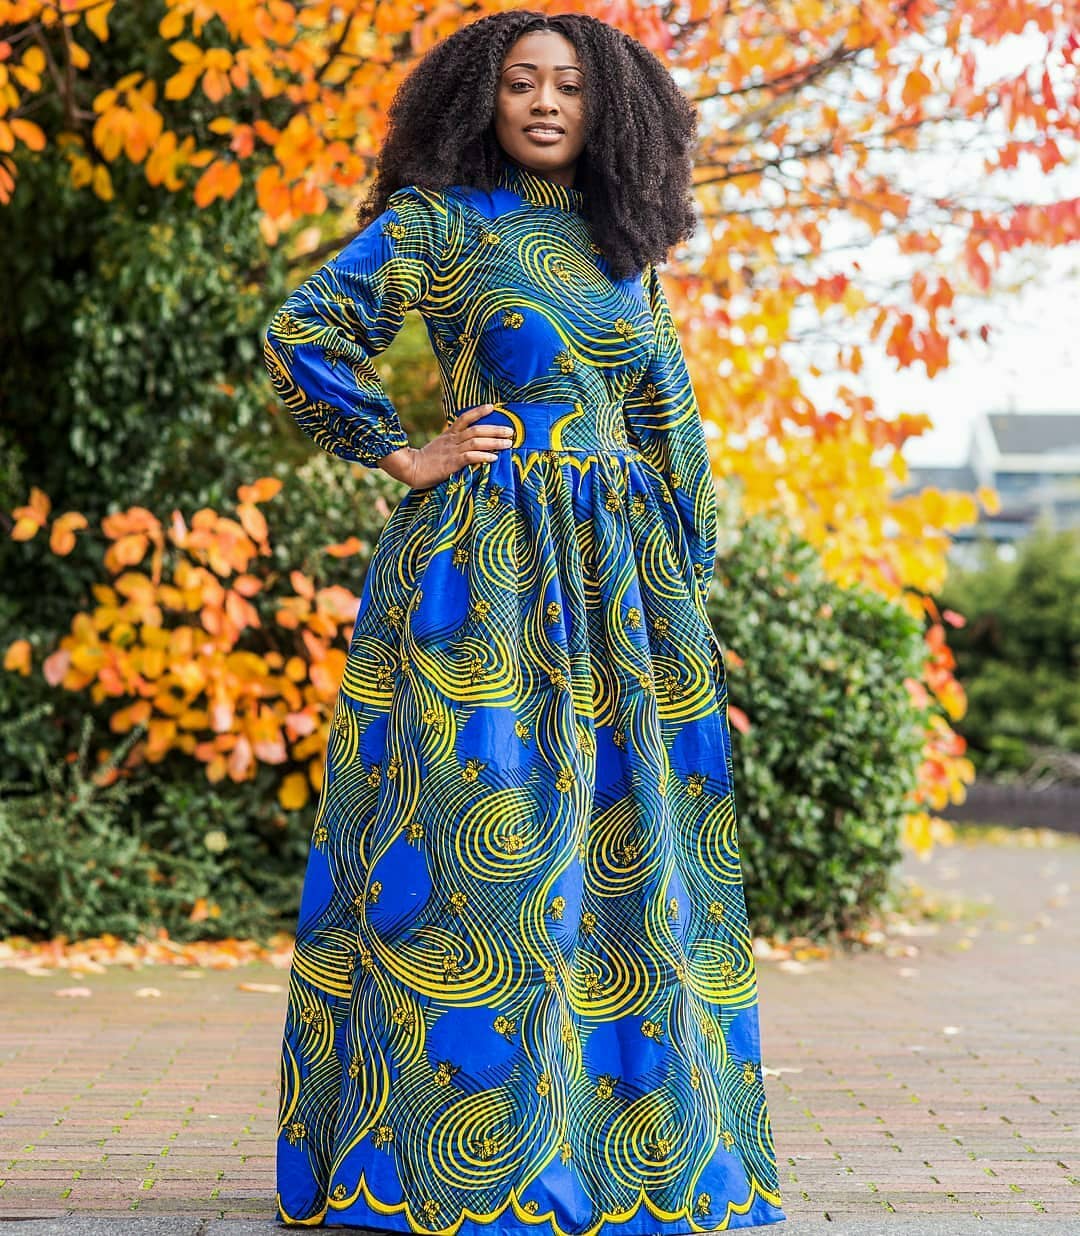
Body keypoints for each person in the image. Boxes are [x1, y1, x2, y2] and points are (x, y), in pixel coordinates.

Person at [262, 9, 786, 1233]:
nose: (546, 103)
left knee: (626, 856)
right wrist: (401, 451)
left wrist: (686, 579)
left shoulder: (623, 250)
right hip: (481, 573)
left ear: (610, 111)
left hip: (620, 591)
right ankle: (461, 1164)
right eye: (520, 83)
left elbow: (666, 415)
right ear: (480, 100)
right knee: (473, 853)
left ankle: (618, 1162)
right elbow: (302, 332)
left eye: (569, 86)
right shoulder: (438, 226)